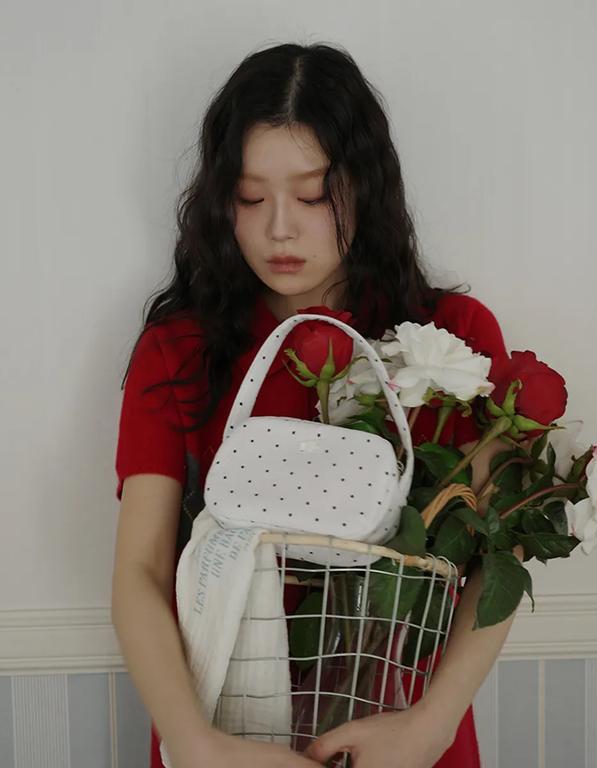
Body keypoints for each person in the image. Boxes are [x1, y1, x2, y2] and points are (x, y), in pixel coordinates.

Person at [111, 41, 524, 768]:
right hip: (221, 732)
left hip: (402, 733)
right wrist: (195, 744)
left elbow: (501, 550)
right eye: (249, 197)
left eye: (311, 197)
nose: (279, 228)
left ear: (366, 188)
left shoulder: (451, 341)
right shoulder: (178, 350)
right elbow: (139, 573)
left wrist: (430, 727)